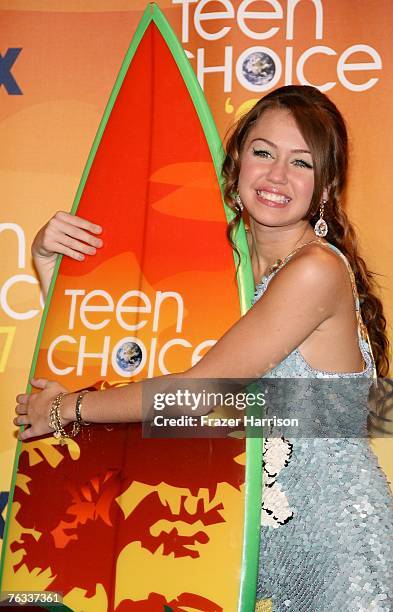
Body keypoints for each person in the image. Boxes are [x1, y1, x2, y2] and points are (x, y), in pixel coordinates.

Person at [15, 85, 393, 610]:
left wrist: (67, 409)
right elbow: (134, 350)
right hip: (246, 563)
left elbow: (196, 395)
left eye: (301, 162)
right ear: (237, 162)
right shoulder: (225, 271)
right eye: (264, 152)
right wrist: (55, 266)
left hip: (341, 565)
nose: (278, 175)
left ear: (325, 185)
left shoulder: (316, 271)